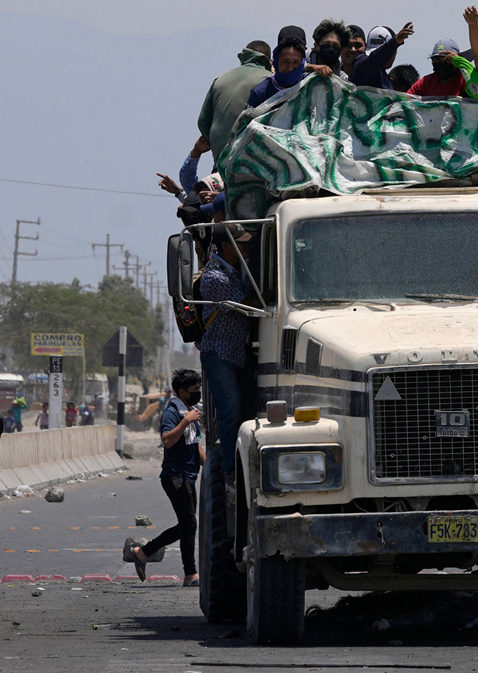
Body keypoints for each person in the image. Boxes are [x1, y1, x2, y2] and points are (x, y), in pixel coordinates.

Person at [129, 369, 205, 586]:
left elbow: (194, 444)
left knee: (188, 525)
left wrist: (210, 467)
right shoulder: (173, 411)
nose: (197, 393)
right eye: (194, 390)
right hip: (175, 476)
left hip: (189, 475)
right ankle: (185, 571)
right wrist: (185, 422)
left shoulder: (189, 411)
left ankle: (147, 554)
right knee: (189, 524)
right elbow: (167, 440)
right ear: (182, 391)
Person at [199, 223, 254, 485]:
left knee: (244, 413)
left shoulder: (234, 271)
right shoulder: (215, 278)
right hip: (219, 352)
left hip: (236, 352)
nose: (245, 247)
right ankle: (231, 473)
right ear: (224, 246)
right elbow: (245, 304)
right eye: (240, 243)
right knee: (230, 412)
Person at [196, 40, 272, 168]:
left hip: (220, 162)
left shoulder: (221, 80)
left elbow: (203, 122)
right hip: (254, 166)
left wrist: (218, 144)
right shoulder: (271, 81)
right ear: (268, 61)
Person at [246, 27, 310, 108]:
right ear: (276, 61)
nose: (290, 68)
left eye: (295, 62)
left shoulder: (310, 87)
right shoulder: (261, 92)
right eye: (285, 62)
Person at [407, 38, 478, 97]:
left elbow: (477, 92)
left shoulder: (465, 79)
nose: (439, 63)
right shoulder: (425, 82)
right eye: (435, 59)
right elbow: (405, 101)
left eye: (447, 59)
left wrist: (460, 61)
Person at [349, 23, 417, 90]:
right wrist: (395, 41)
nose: (386, 58)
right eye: (387, 54)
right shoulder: (361, 64)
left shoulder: (384, 78)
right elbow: (375, 60)